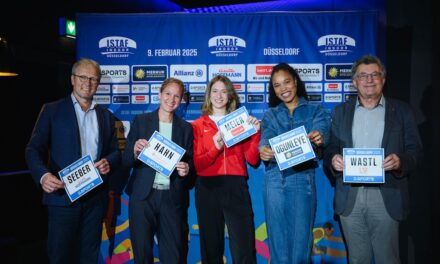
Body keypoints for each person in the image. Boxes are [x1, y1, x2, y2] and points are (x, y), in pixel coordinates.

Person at [323, 54, 423, 264]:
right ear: (354, 82)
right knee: (358, 259)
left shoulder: (402, 111)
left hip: (386, 195)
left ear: (383, 79)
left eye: (374, 75)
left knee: (388, 259)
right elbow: (330, 148)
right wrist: (333, 160)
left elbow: (416, 152)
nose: (369, 80)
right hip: (350, 196)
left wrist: (400, 161)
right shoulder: (341, 111)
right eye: (363, 75)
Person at [25, 58, 120, 264]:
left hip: (94, 199)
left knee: (89, 256)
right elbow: (33, 149)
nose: (88, 82)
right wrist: (43, 176)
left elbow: (114, 151)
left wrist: (107, 161)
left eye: (93, 79)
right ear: (72, 79)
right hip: (62, 198)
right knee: (60, 256)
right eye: (83, 77)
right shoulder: (52, 110)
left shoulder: (105, 116)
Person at [259, 62, 330, 263]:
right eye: (277, 85)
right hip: (274, 179)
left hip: (301, 177)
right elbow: (266, 138)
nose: (283, 89)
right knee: (277, 247)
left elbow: (323, 132)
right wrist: (263, 150)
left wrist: (319, 137)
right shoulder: (271, 114)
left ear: (296, 82)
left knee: (300, 248)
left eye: (287, 82)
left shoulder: (315, 111)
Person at [122, 77, 193, 264]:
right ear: (160, 94)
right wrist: (136, 151)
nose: (171, 99)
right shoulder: (141, 121)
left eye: (177, 96)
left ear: (181, 100)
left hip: (172, 198)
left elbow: (190, 167)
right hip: (143, 197)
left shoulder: (186, 129)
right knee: (142, 253)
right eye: (168, 94)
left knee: (173, 256)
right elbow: (126, 160)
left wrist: (187, 169)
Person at [192, 75, 260, 264]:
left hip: (236, 185)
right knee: (211, 247)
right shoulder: (197, 126)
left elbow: (253, 159)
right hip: (207, 187)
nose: (219, 96)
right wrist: (215, 148)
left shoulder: (240, 121)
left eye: (224, 91)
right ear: (209, 95)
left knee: (244, 246)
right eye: (215, 91)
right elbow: (198, 165)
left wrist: (255, 134)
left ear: (230, 96)